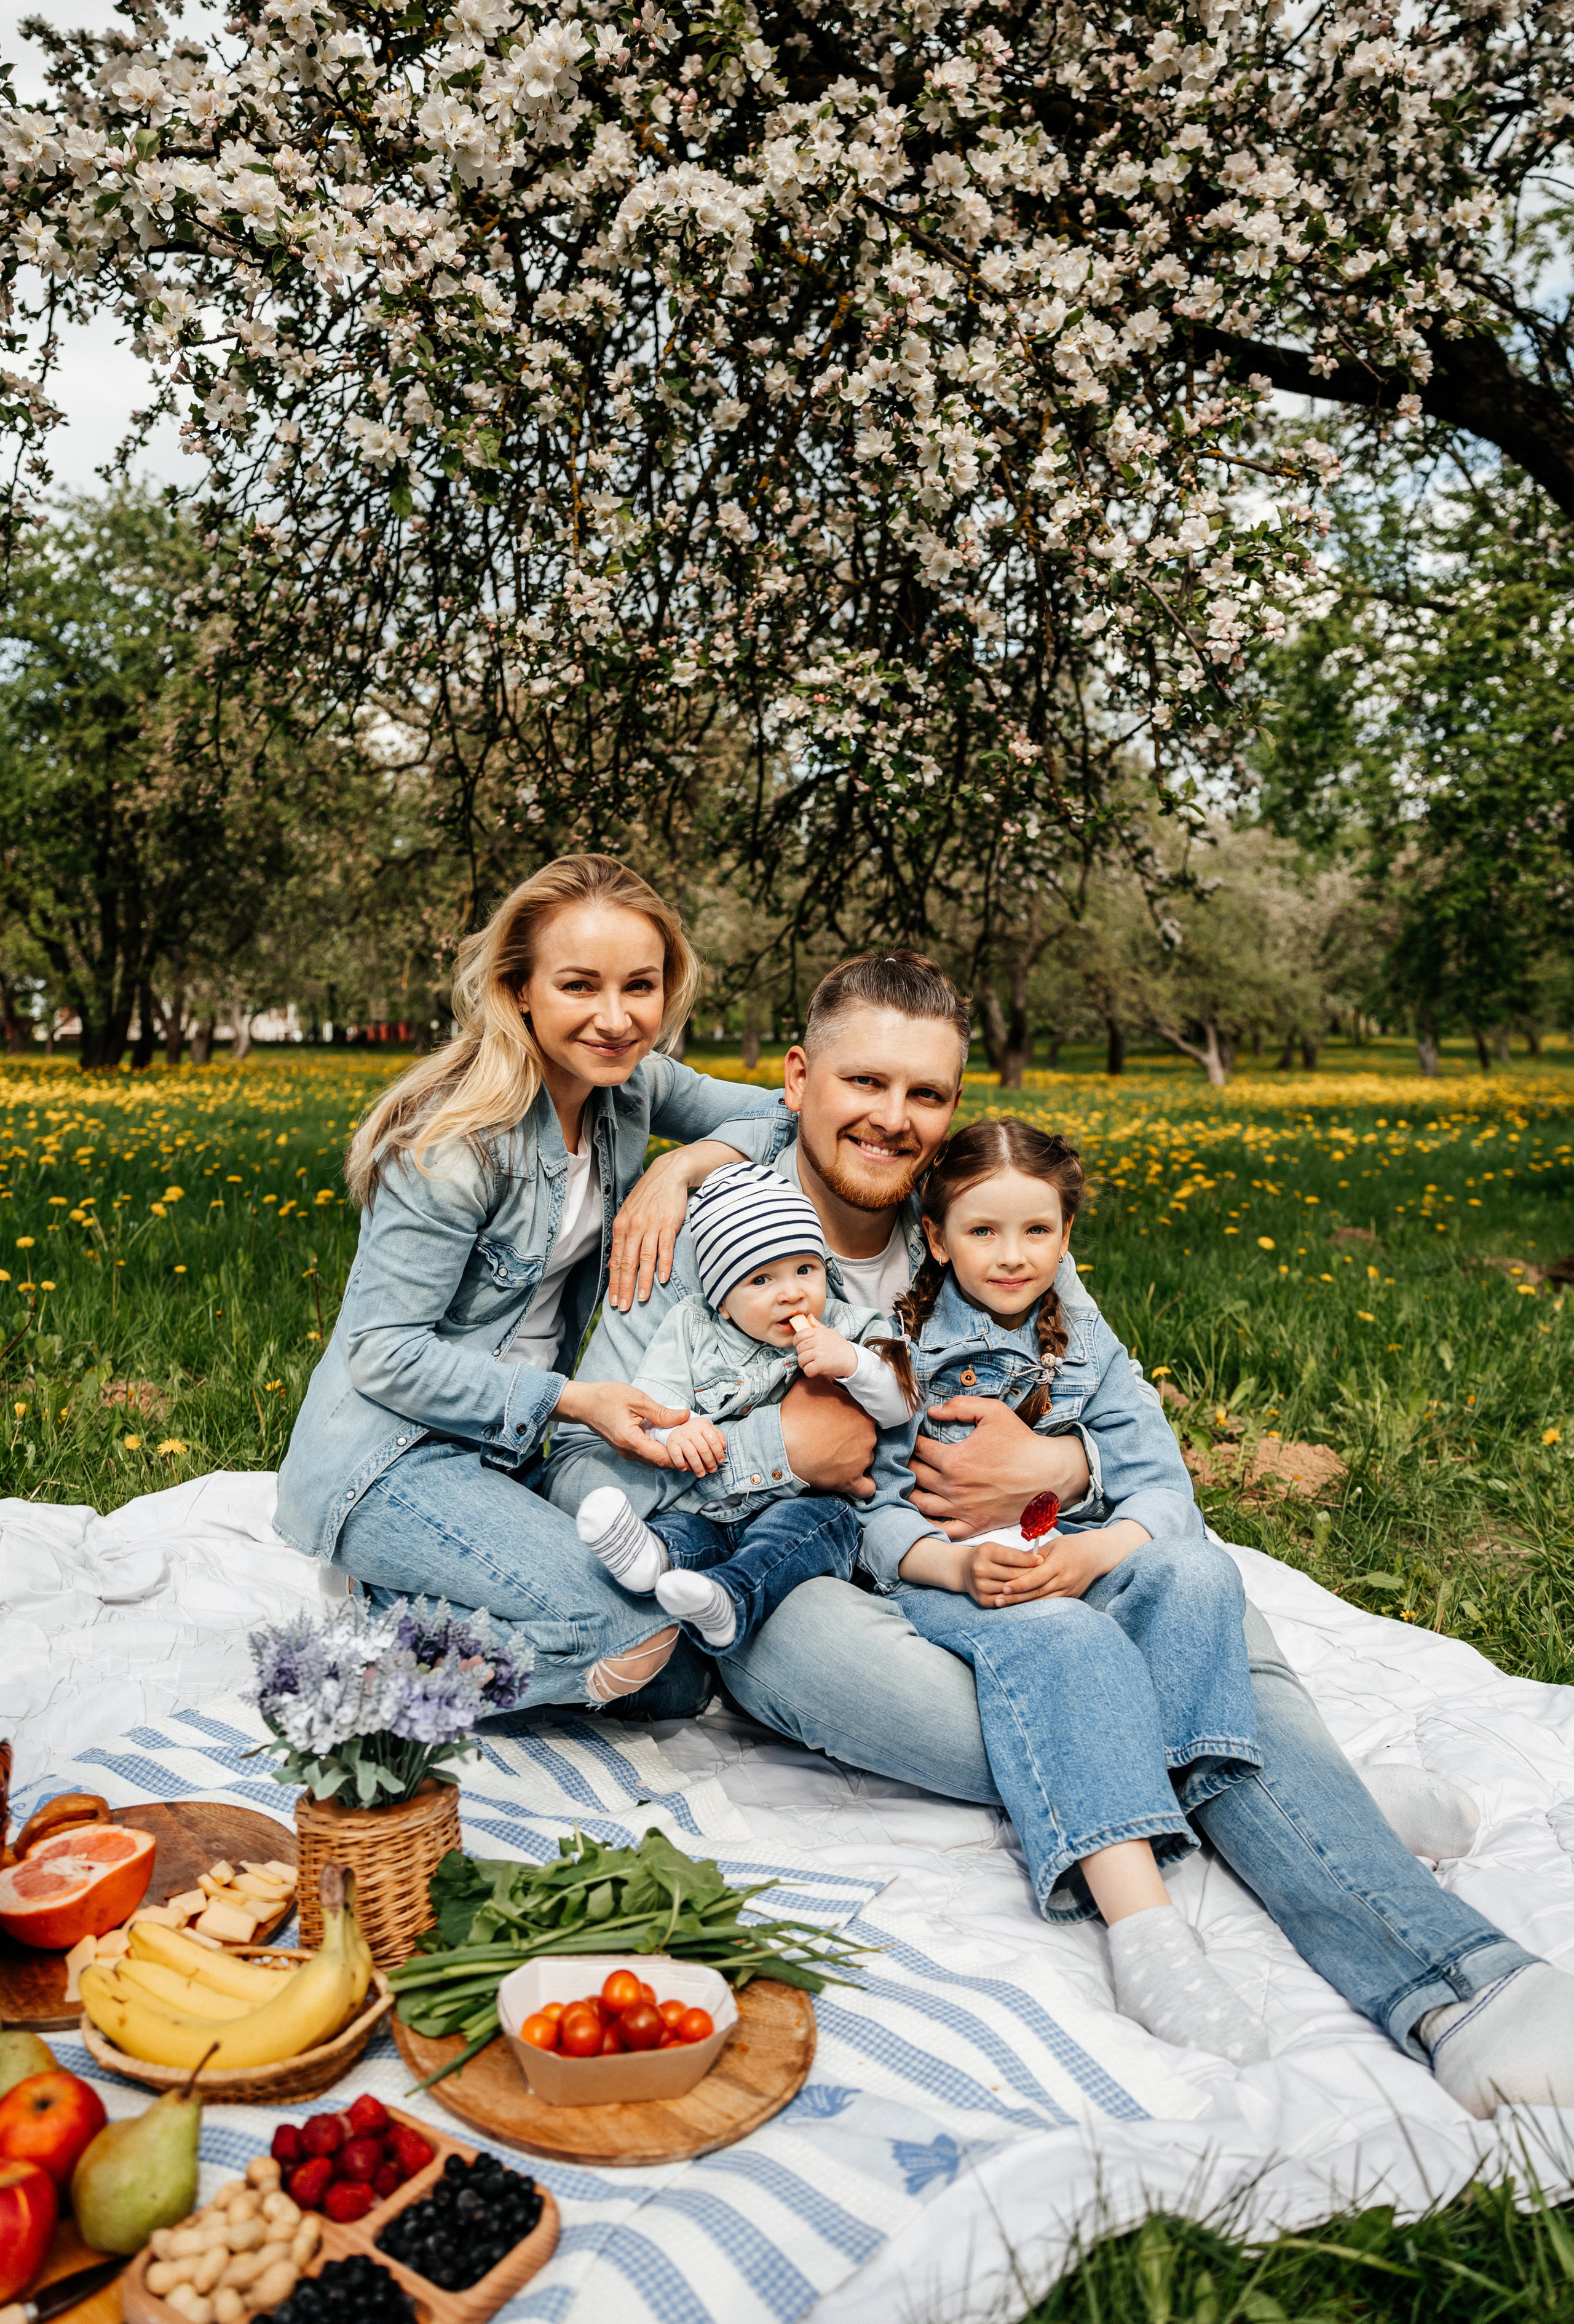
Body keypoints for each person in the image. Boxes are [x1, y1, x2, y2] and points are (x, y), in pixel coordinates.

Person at [548, 947, 1574, 2117]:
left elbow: (1124, 1429)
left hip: (1031, 1558)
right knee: (924, 1656)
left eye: (927, 1095)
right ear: (796, 1080)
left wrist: (1056, 1464)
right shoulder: (702, 1220)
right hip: (814, 1576)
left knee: (1193, 1576)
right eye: (865, 1084)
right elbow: (585, 1461)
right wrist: (792, 1455)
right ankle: (1273, 1797)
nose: (893, 1121)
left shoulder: (987, 1228)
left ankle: (1460, 1983)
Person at [271, 852, 795, 1711]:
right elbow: (382, 1353)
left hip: (498, 1462)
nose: (617, 1018)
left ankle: (404, 1610)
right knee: (629, 1636)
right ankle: (354, 1683)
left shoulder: (630, 1093)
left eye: (641, 987)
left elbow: (787, 1113)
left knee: (674, 1683)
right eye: (581, 986)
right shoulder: (457, 1142)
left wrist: (686, 1165)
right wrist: (573, 1402)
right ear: (520, 989)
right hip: (390, 1460)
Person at [854, 1114, 1265, 2063]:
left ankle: (1245, 1797)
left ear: (1067, 1236)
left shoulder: (1084, 1340)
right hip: (962, 1577)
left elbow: (1163, 1486)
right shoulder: (895, 1351)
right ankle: (1148, 1930)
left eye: (1036, 1232)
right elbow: (868, 1511)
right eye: (983, 1232)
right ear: (936, 1235)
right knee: (1069, 1642)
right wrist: (952, 1563)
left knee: (1199, 1573)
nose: (1011, 1256)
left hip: (1069, 1547)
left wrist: (1098, 1552)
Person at [575, 1160, 909, 1653]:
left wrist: (854, 1364)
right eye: (761, 1281)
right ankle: (654, 1557)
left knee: (800, 1533)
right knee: (686, 1529)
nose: (793, 1292)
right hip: (715, 1507)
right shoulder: (692, 1329)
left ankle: (730, 1601)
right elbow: (656, 1406)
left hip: (810, 1507)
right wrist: (676, 1433)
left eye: (805, 1269)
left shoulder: (852, 1325)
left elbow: (902, 1404)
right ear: (723, 1302)